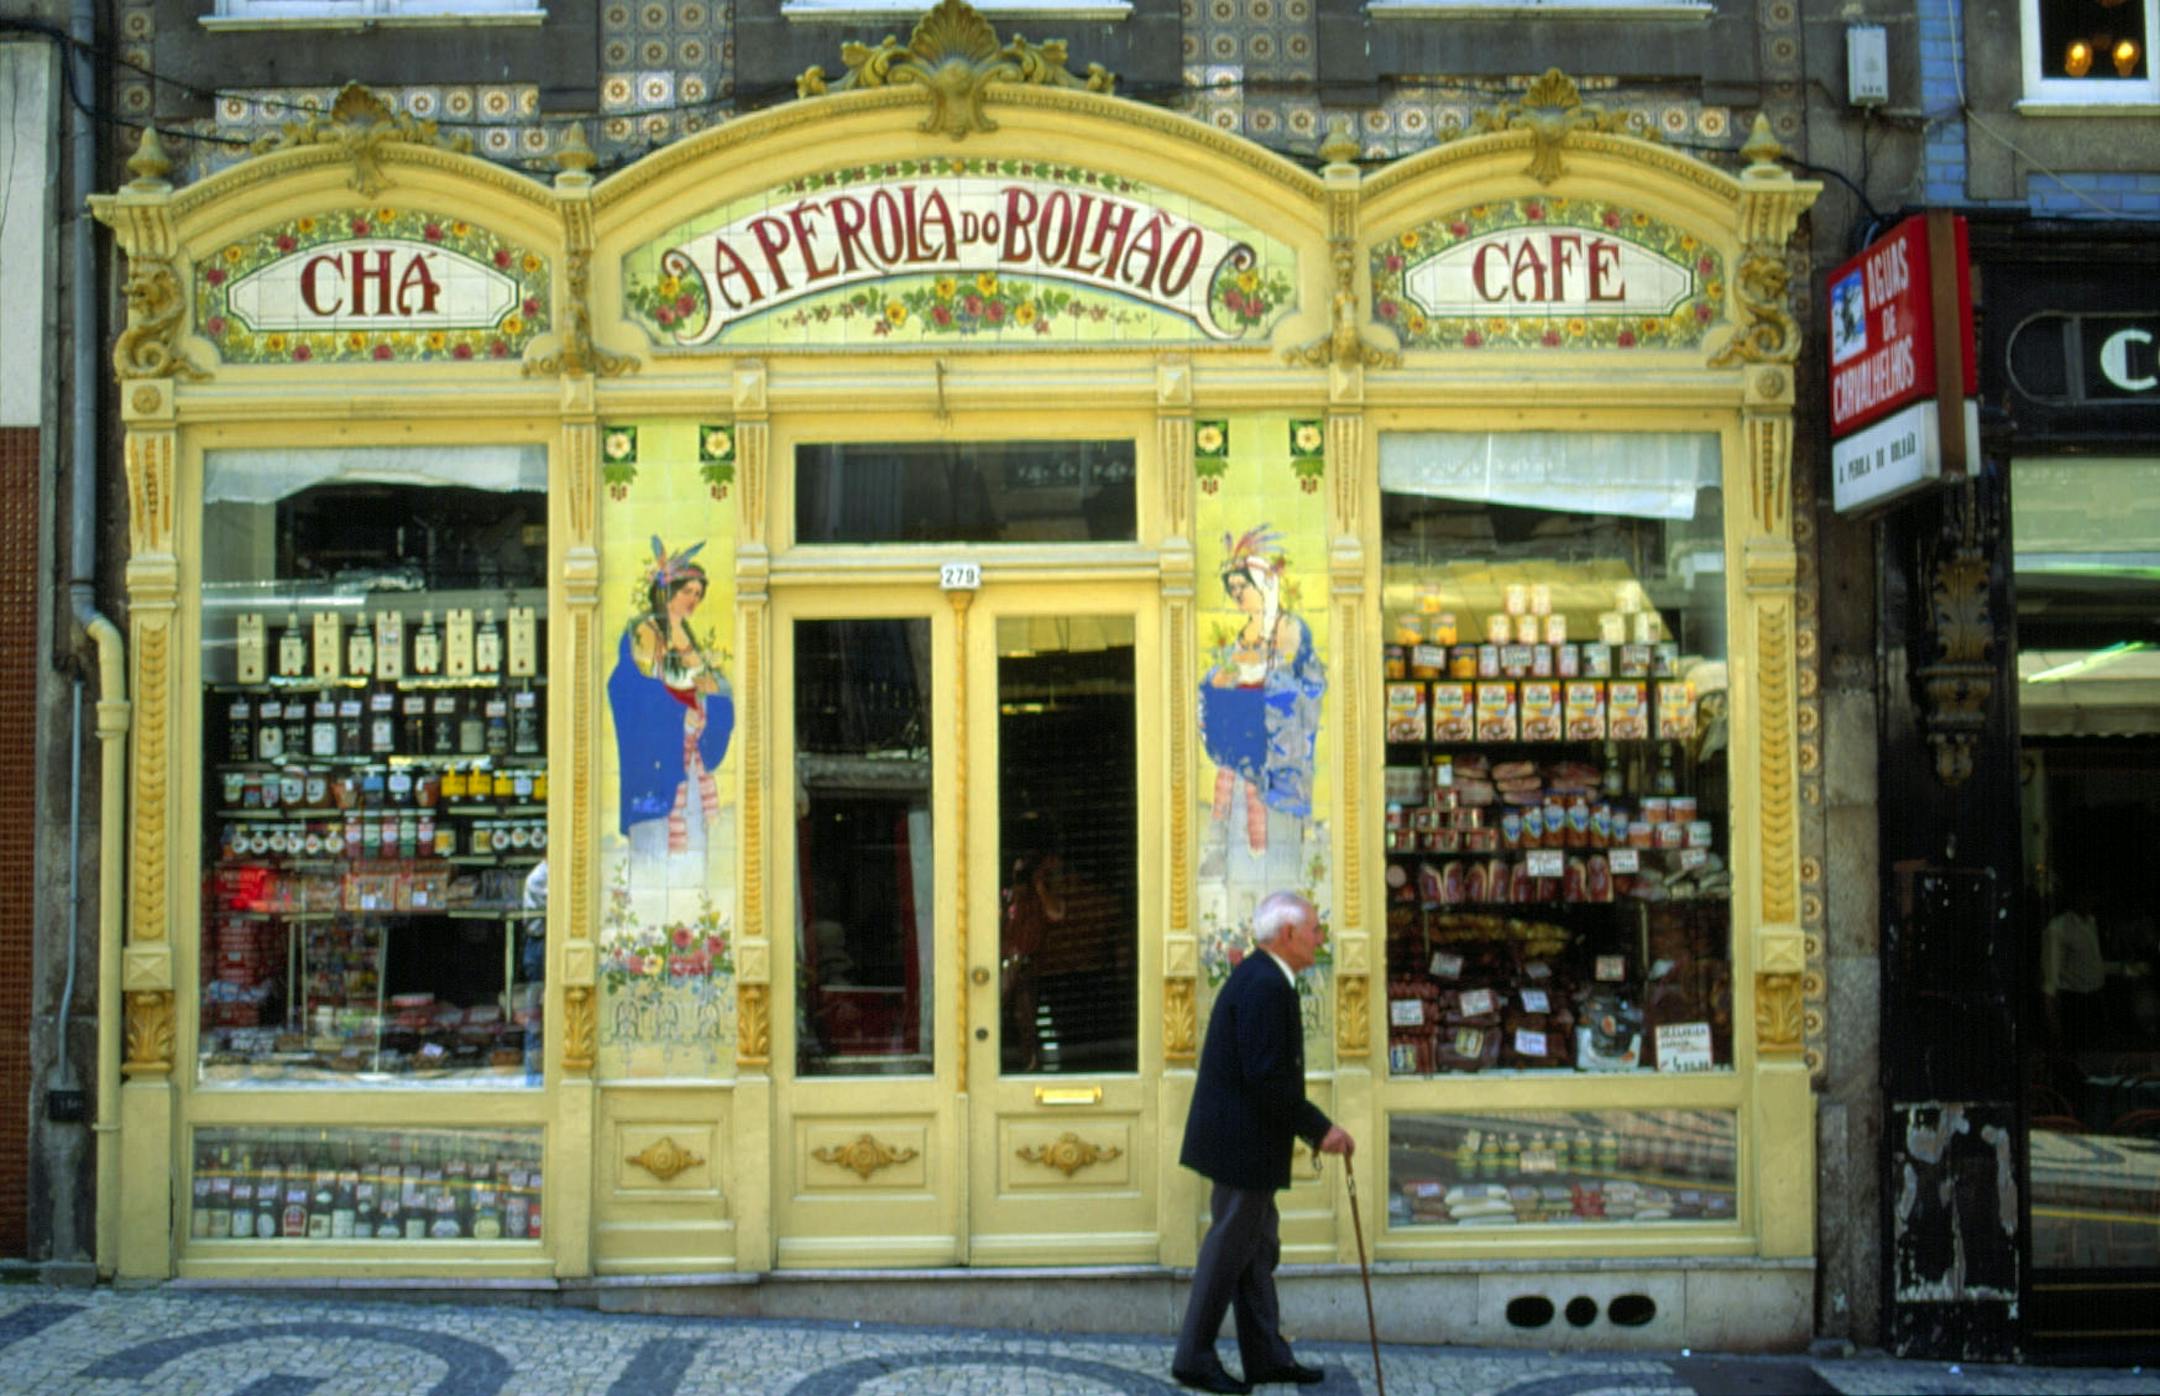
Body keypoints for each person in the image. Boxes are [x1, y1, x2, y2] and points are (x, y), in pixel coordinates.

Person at [1172, 891, 1353, 1394]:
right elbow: (1268, 1079)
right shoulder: (1265, 984)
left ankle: (1267, 1355)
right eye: (1315, 929)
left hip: (1246, 1142)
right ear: (1289, 934)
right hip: (1242, 1145)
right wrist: (1321, 1129)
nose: (1321, 938)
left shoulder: (1264, 977)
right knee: (1228, 1250)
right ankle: (1193, 1357)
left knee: (1256, 1249)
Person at [607, 536, 733, 868]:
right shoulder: (644, 631)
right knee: (656, 851)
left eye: (698, 594)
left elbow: (707, 683)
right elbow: (637, 689)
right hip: (658, 765)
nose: (693, 599)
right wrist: (679, 713)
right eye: (686, 592)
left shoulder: (684, 635)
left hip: (688, 758)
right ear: (667, 592)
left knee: (692, 844)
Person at [1199, 527, 1324, 857]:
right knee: (1230, 780)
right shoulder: (1244, 632)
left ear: (1262, 585)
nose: (1238, 594)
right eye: (1233, 588)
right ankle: (1222, 842)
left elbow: (1297, 681)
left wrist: (1255, 676)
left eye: (1244, 586)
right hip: (1244, 732)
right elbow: (1224, 675)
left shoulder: (1288, 626)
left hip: (1275, 743)